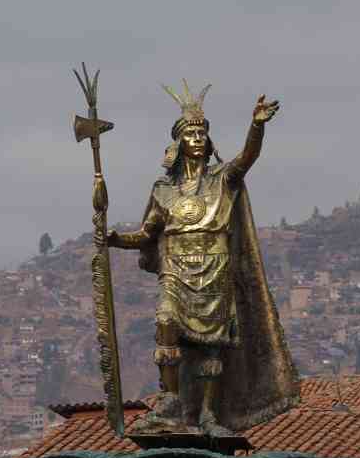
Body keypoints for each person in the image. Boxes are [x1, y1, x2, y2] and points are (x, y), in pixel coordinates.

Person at [108, 81, 299, 436]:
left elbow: (247, 159)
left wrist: (256, 126)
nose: (197, 138)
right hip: (175, 268)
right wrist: (114, 239)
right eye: (190, 134)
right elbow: (147, 235)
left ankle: (209, 415)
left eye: (202, 133)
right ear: (178, 143)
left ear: (208, 143)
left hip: (215, 265)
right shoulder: (163, 190)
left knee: (211, 345)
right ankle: (171, 401)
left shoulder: (221, 179)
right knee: (166, 321)